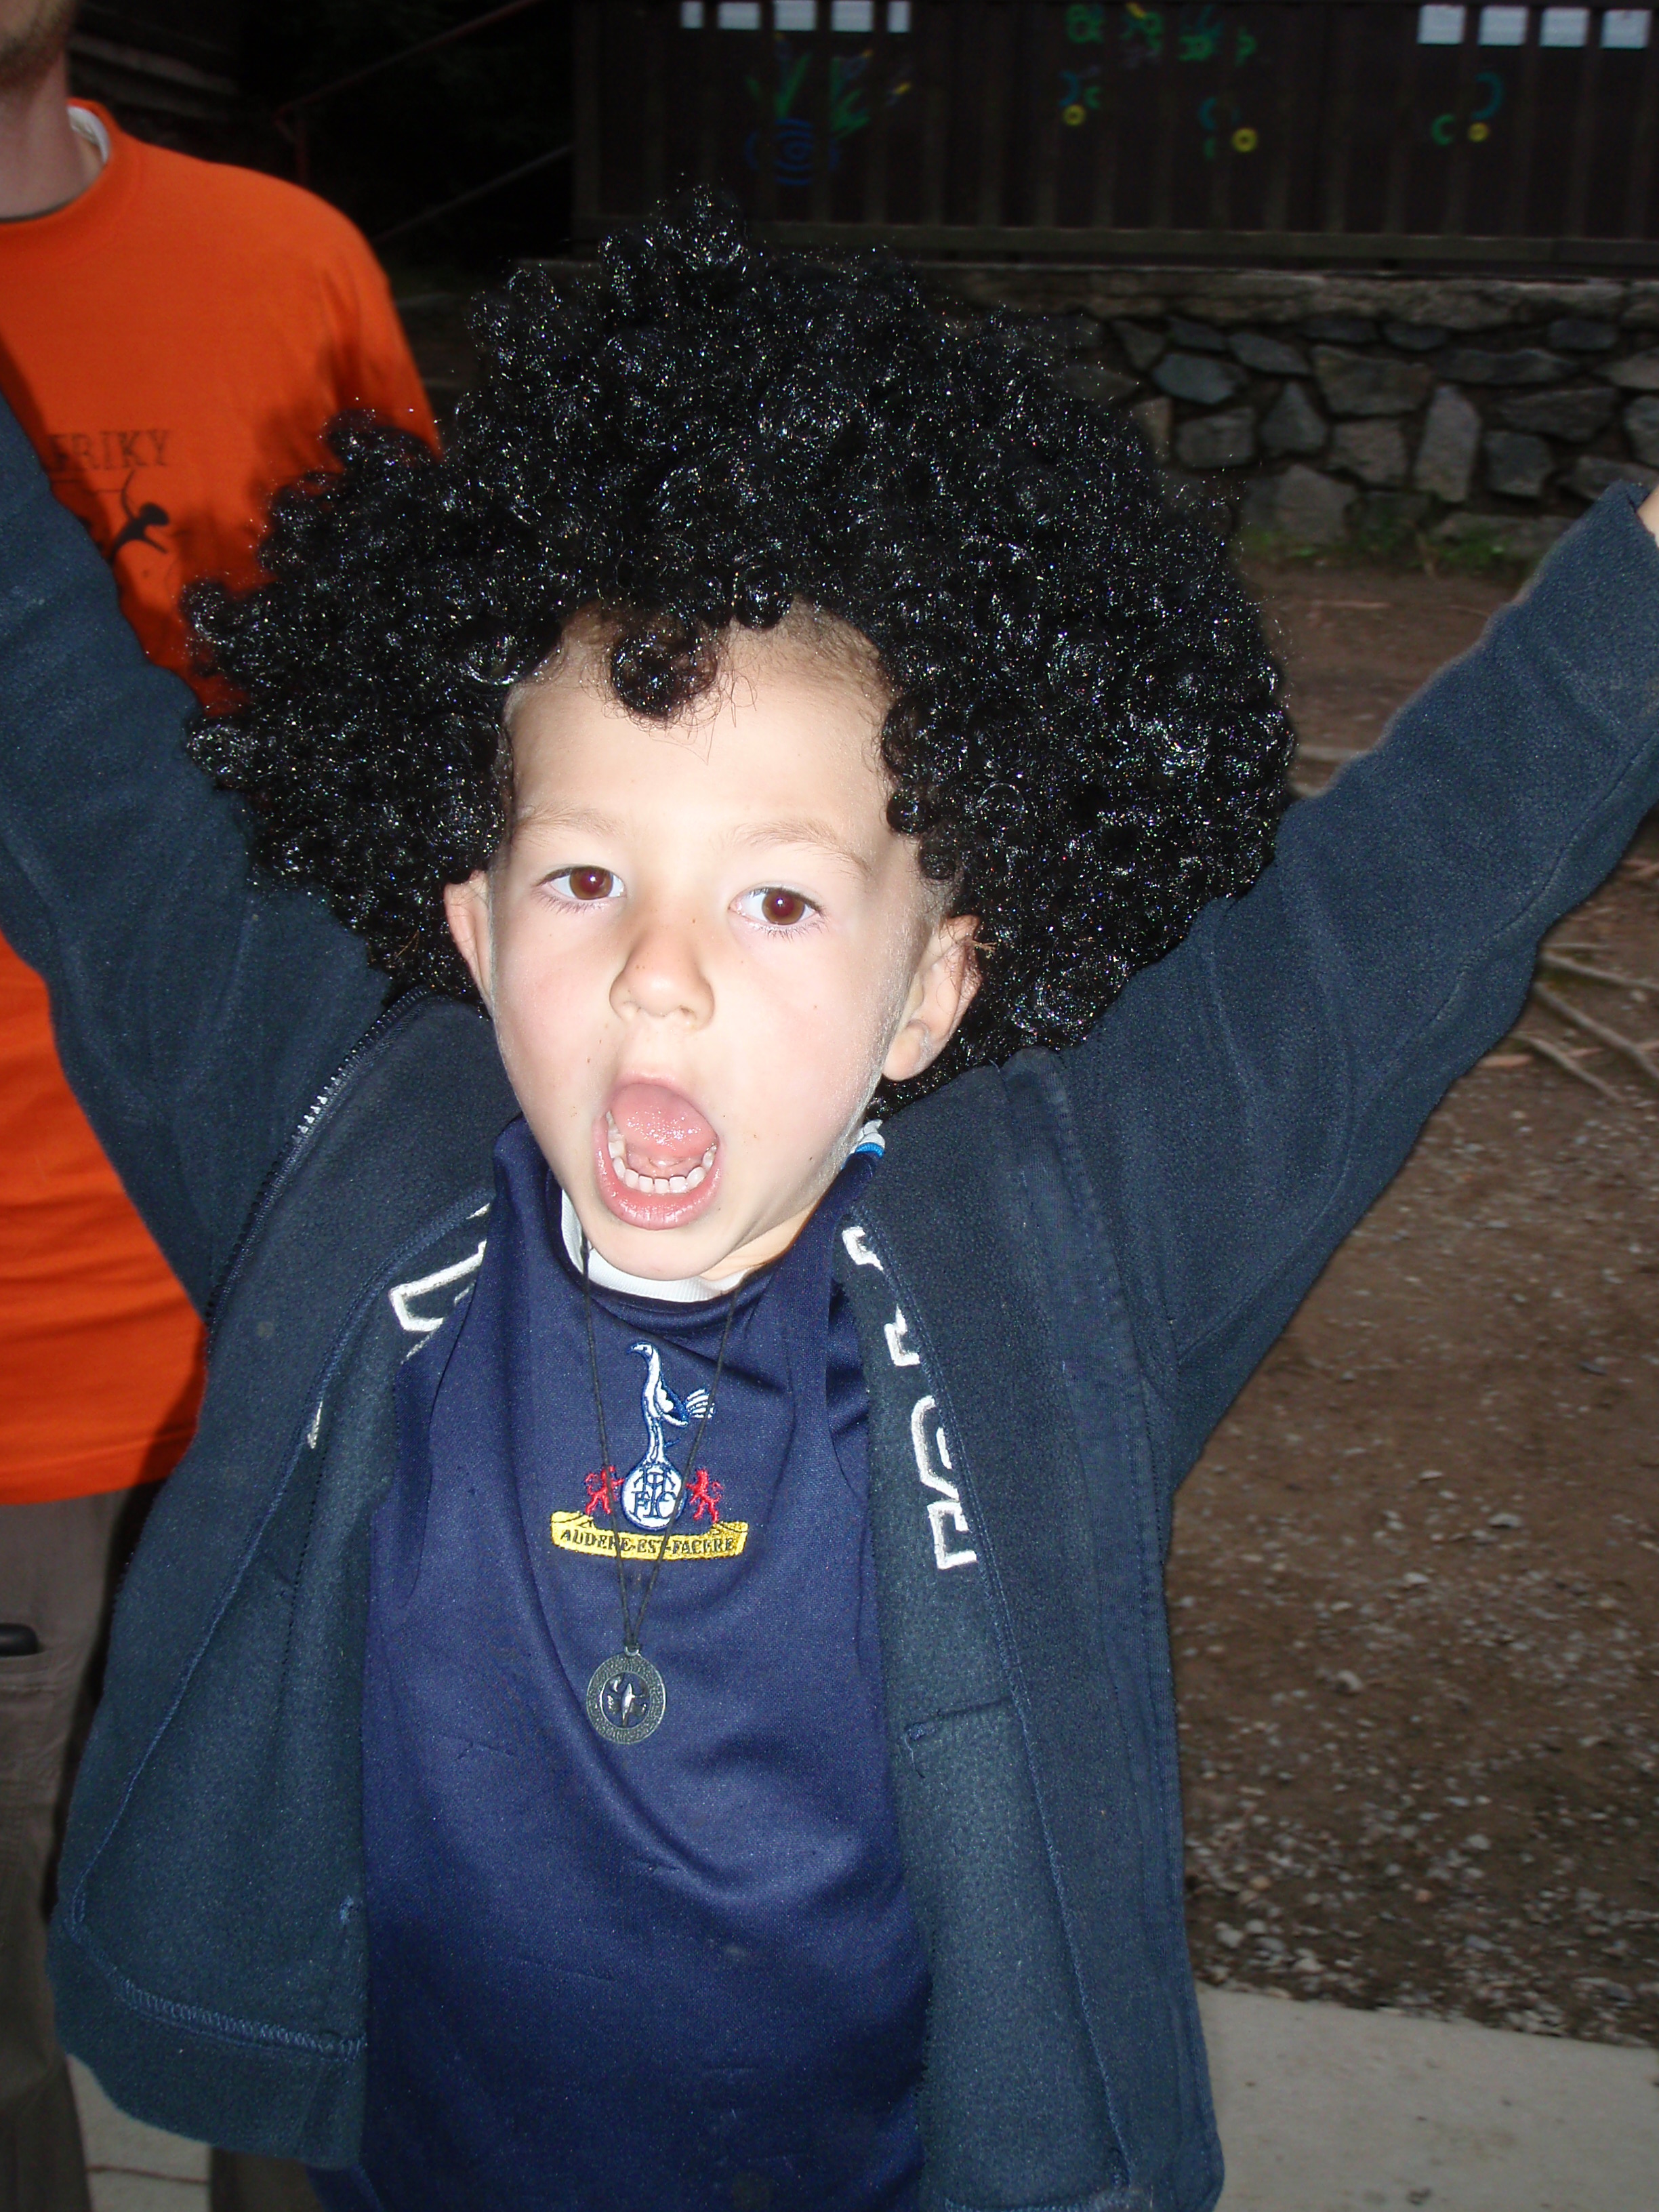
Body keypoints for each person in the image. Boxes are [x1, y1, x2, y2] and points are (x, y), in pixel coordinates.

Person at [1, 193, 1656, 2211]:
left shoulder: (1064, 1253)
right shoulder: (330, 1150)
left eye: (778, 900)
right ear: (472, 923)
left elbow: (1410, 904)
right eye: (585, 877)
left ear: (932, 986)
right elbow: (67, 757)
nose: (662, 975)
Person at [0, 6, 434, 2206]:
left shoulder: (291, 264)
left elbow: (457, 735)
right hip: (6, 1363)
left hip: (309, 1288)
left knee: (320, 1957)